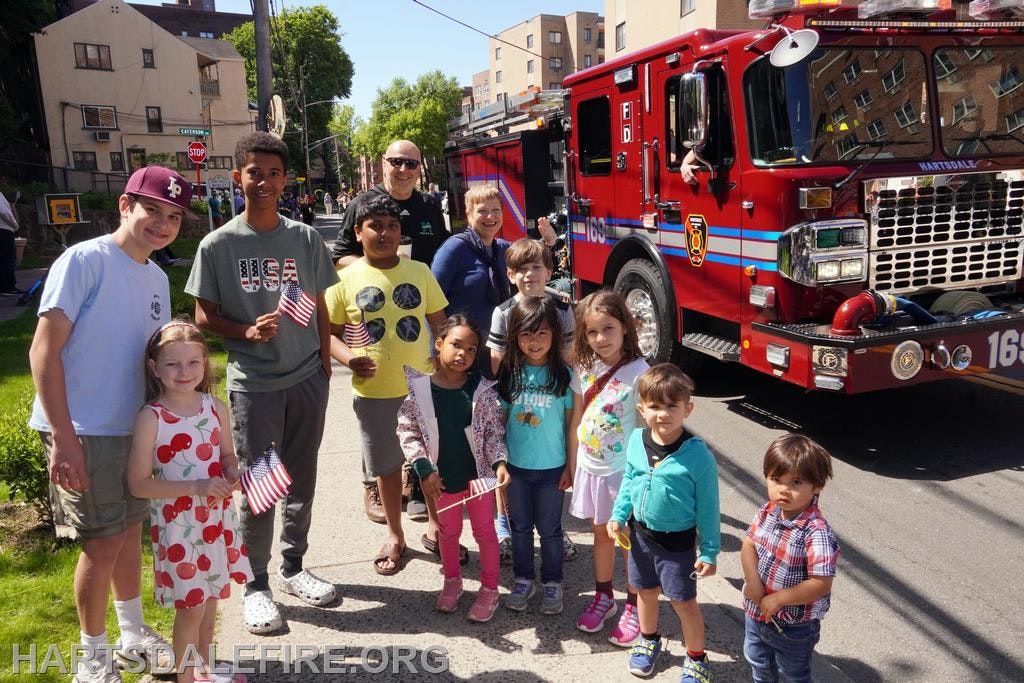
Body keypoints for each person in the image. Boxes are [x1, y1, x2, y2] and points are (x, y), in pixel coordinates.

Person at [28, 165, 193, 682]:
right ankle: (92, 658)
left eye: (173, 217)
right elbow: (43, 351)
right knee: (100, 545)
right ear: (126, 205)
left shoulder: (157, 277)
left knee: (126, 534)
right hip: (84, 429)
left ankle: (133, 634)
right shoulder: (84, 260)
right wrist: (63, 437)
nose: (162, 224)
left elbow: (157, 358)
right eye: (152, 211)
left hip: (136, 428)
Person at [185, 132, 339, 635]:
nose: (266, 182)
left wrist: (322, 363)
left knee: (301, 476)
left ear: (285, 179)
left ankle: (294, 567)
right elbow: (203, 316)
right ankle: (256, 583)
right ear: (238, 177)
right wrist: (246, 329)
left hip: (306, 378)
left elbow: (318, 302)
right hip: (255, 383)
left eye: (275, 174)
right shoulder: (219, 244)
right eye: (255, 172)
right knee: (259, 484)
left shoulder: (304, 237)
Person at [326, 194, 448, 576]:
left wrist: (445, 364)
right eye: (375, 226)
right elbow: (329, 334)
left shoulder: (420, 272)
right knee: (387, 465)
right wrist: (348, 359)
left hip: (421, 388)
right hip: (374, 390)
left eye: (392, 226)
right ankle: (396, 535)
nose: (385, 233)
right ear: (358, 233)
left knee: (429, 460)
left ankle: (437, 527)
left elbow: (441, 325)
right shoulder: (343, 279)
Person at [127, 320, 252, 683]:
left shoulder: (215, 408)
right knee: (192, 607)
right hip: (179, 528)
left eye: (193, 362)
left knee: (211, 599)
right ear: (154, 367)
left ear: (205, 363)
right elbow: (138, 484)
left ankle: (206, 670)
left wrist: (233, 473)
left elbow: (227, 455)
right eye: (173, 364)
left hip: (214, 521)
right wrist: (197, 485)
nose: (184, 372)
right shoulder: (152, 418)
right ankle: (186, 678)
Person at [606, 364, 719, 681]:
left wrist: (709, 551)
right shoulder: (637, 440)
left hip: (678, 544)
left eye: (672, 406)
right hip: (640, 537)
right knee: (644, 593)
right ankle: (649, 640)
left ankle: (697, 657)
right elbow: (629, 480)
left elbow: (709, 508)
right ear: (641, 409)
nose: (663, 414)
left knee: (684, 603)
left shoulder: (698, 456)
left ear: (688, 409)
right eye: (655, 406)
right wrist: (618, 515)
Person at [396, 314, 510, 622]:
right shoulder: (420, 391)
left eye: (472, 349)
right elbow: (408, 431)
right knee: (447, 533)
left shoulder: (482, 391)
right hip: (441, 480)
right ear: (439, 344)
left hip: (479, 479)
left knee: (485, 533)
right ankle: (452, 581)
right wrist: (424, 469)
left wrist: (500, 462)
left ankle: (489, 589)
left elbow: (492, 434)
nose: (463, 354)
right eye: (456, 345)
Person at [485, 238, 576, 566]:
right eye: (521, 269)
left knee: (548, 466)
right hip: (513, 393)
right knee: (507, 460)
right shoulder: (504, 312)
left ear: (549, 272)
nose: (529, 275)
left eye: (536, 267)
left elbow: (568, 357)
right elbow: (496, 360)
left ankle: (556, 529)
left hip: (549, 392)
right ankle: (504, 527)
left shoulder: (562, 309)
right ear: (511, 275)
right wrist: (516, 382)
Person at [569, 290, 649, 645]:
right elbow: (577, 419)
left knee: (628, 540)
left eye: (608, 328)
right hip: (590, 467)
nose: (600, 339)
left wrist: (645, 480)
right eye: (592, 332)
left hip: (624, 474)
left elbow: (649, 434)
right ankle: (604, 596)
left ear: (626, 328)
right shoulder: (584, 367)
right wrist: (571, 467)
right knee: (600, 534)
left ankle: (634, 604)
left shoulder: (641, 373)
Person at [498, 296, 579, 615]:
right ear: (515, 336)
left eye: (542, 333)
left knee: (550, 530)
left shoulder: (564, 376)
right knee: (519, 528)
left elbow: (571, 424)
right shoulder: (510, 373)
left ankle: (552, 582)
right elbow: (501, 422)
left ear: (555, 336)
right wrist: (499, 463)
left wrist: (570, 466)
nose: (534, 341)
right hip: (516, 469)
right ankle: (523, 579)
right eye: (526, 334)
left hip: (552, 469)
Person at [741, 434, 839, 683]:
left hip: (793, 626)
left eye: (796, 482)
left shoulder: (815, 531)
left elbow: (821, 583)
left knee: (792, 674)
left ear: (817, 486)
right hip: (756, 610)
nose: (783, 489)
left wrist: (779, 599)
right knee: (757, 661)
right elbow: (749, 544)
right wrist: (753, 581)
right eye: (776, 479)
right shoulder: (769, 511)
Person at [432, 185, 511, 378]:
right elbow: (431, 300)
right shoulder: (454, 248)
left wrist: (548, 242)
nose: (490, 217)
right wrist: (448, 343)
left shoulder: (502, 248)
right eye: (482, 211)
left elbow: (530, 260)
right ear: (468, 215)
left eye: (495, 210)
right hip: (462, 352)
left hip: (494, 349)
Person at [332, 139, 447, 269]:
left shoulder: (429, 205)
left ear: (419, 169)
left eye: (411, 164)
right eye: (396, 162)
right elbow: (339, 260)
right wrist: (381, 264)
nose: (403, 169)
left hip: (423, 288)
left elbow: (445, 250)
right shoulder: (360, 204)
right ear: (385, 164)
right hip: (376, 288)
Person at [0, 190, 24, 297]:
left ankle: (4, 286)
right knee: (8, 259)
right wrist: (15, 225)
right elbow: (4, 212)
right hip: (4, 230)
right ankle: (8, 287)